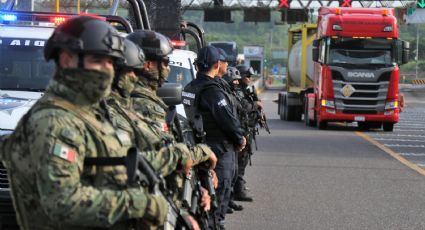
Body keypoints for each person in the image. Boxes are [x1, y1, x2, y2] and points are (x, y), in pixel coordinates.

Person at [0, 16, 168, 229]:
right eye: (97, 61)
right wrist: (140, 203)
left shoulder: (91, 115)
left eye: (111, 62)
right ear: (67, 59)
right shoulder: (54, 121)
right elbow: (62, 202)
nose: (107, 70)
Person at [183, 46, 246, 230]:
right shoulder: (212, 90)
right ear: (217, 64)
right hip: (218, 149)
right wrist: (240, 138)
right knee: (219, 194)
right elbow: (226, 119)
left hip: (200, 147)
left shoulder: (191, 87)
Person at [127, 30, 172, 132]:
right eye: (165, 63)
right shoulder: (147, 107)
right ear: (148, 65)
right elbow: (164, 146)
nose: (168, 68)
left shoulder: (126, 94)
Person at [234, 64, 263, 202]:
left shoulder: (245, 90)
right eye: (248, 76)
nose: (250, 79)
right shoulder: (238, 91)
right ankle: (237, 189)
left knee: (243, 159)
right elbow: (243, 107)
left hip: (247, 129)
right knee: (240, 160)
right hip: (242, 130)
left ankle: (237, 186)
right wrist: (255, 105)